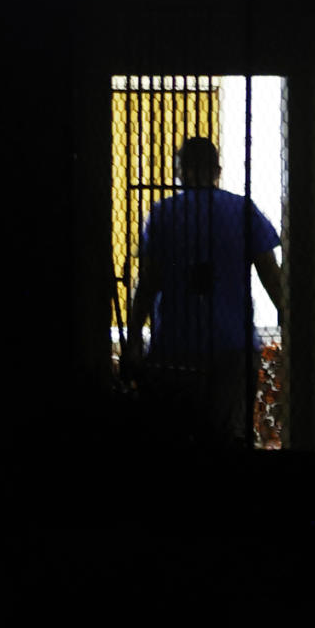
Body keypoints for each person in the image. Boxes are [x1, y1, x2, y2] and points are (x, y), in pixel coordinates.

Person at [121, 136, 282, 446]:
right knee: (230, 434)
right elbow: (271, 278)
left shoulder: (163, 214)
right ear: (217, 170)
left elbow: (148, 283)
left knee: (177, 433)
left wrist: (133, 342)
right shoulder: (242, 210)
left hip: (176, 343)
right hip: (232, 343)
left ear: (180, 171)